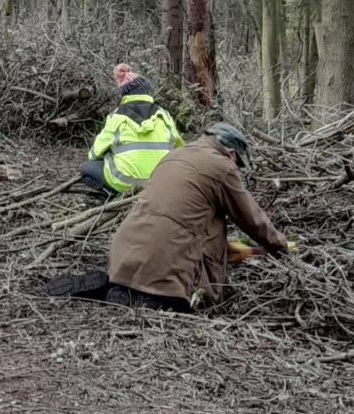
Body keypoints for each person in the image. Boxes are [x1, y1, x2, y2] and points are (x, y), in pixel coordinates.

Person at [49, 123, 287, 311]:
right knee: (181, 293)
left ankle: (119, 286)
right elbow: (253, 221)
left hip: (124, 253)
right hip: (167, 272)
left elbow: (181, 215)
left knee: (194, 219)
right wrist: (283, 249)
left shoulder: (173, 156)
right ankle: (149, 296)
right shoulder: (222, 167)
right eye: (239, 164)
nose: (238, 169)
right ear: (231, 153)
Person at [79, 64, 184, 194]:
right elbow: (180, 148)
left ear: (124, 94)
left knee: (87, 169)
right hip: (161, 182)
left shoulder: (116, 116)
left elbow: (94, 154)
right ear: (147, 92)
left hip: (126, 182)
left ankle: (114, 196)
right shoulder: (164, 115)